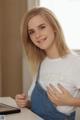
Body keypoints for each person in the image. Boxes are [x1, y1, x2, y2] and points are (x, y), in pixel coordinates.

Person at [15, 7, 80, 120]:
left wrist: (70, 101)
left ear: (54, 27)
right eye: (32, 32)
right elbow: (38, 107)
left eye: (42, 27)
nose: (37, 35)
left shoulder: (75, 62)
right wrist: (26, 103)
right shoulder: (41, 63)